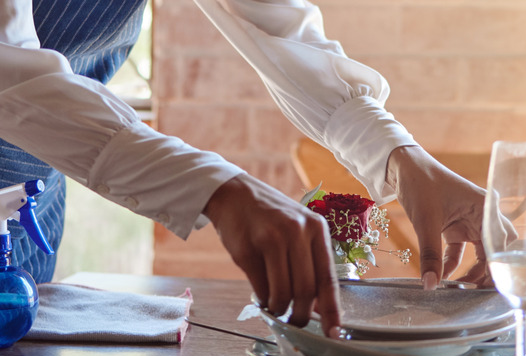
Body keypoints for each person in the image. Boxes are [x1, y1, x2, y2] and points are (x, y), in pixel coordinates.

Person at [0, 0, 490, 337]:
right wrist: (219, 188)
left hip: (27, 219)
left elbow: (276, 28)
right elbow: (10, 73)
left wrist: (402, 157)